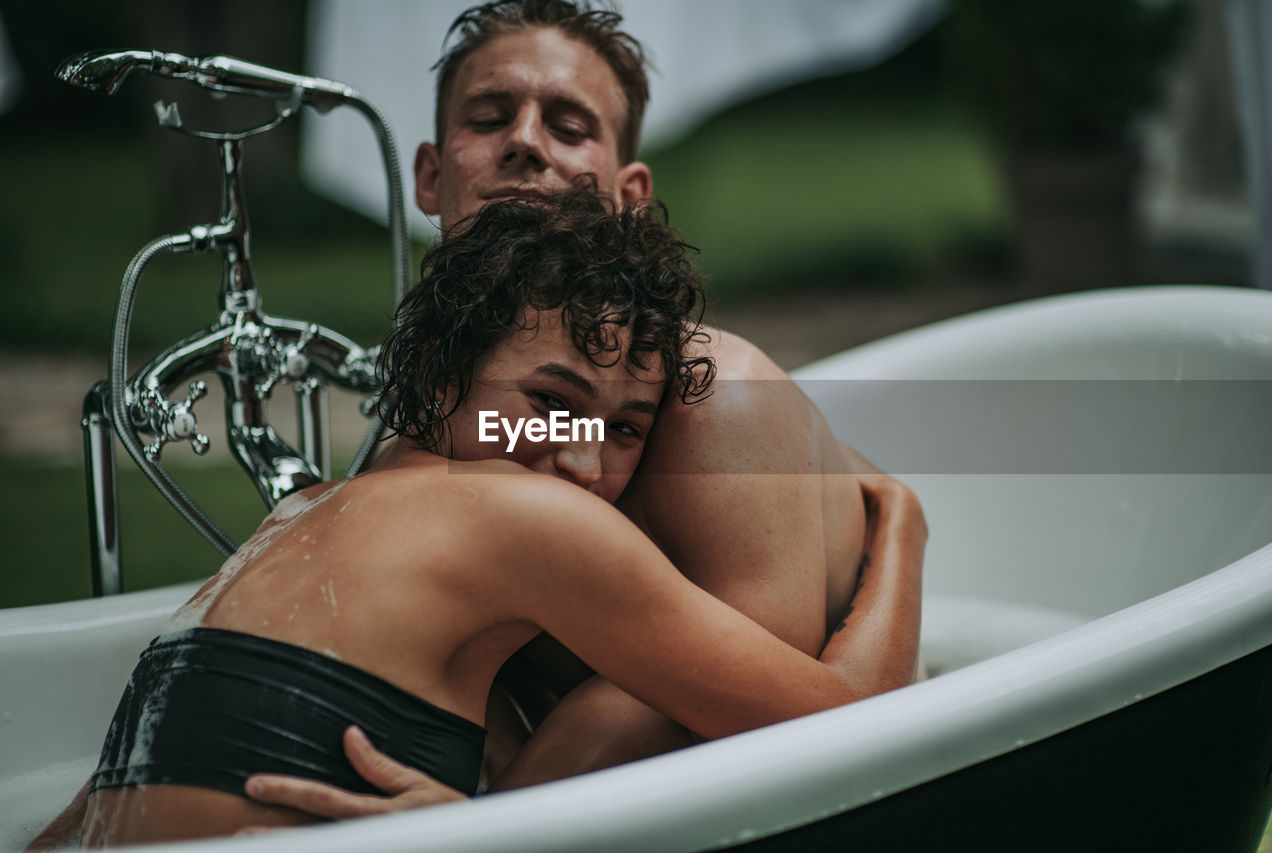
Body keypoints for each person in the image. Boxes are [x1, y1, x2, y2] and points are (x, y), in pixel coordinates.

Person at [28, 190, 920, 850]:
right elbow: (848, 723)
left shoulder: (297, 515)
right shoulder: (528, 518)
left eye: (624, 430)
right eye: (548, 400)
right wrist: (903, 531)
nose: (580, 458)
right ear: (444, 379)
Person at [244, 0, 925, 815]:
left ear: (630, 194)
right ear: (430, 175)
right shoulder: (449, 414)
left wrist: (485, 828)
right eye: (491, 117)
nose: (525, 142)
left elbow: (764, 713)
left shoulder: (709, 387)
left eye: (569, 127)